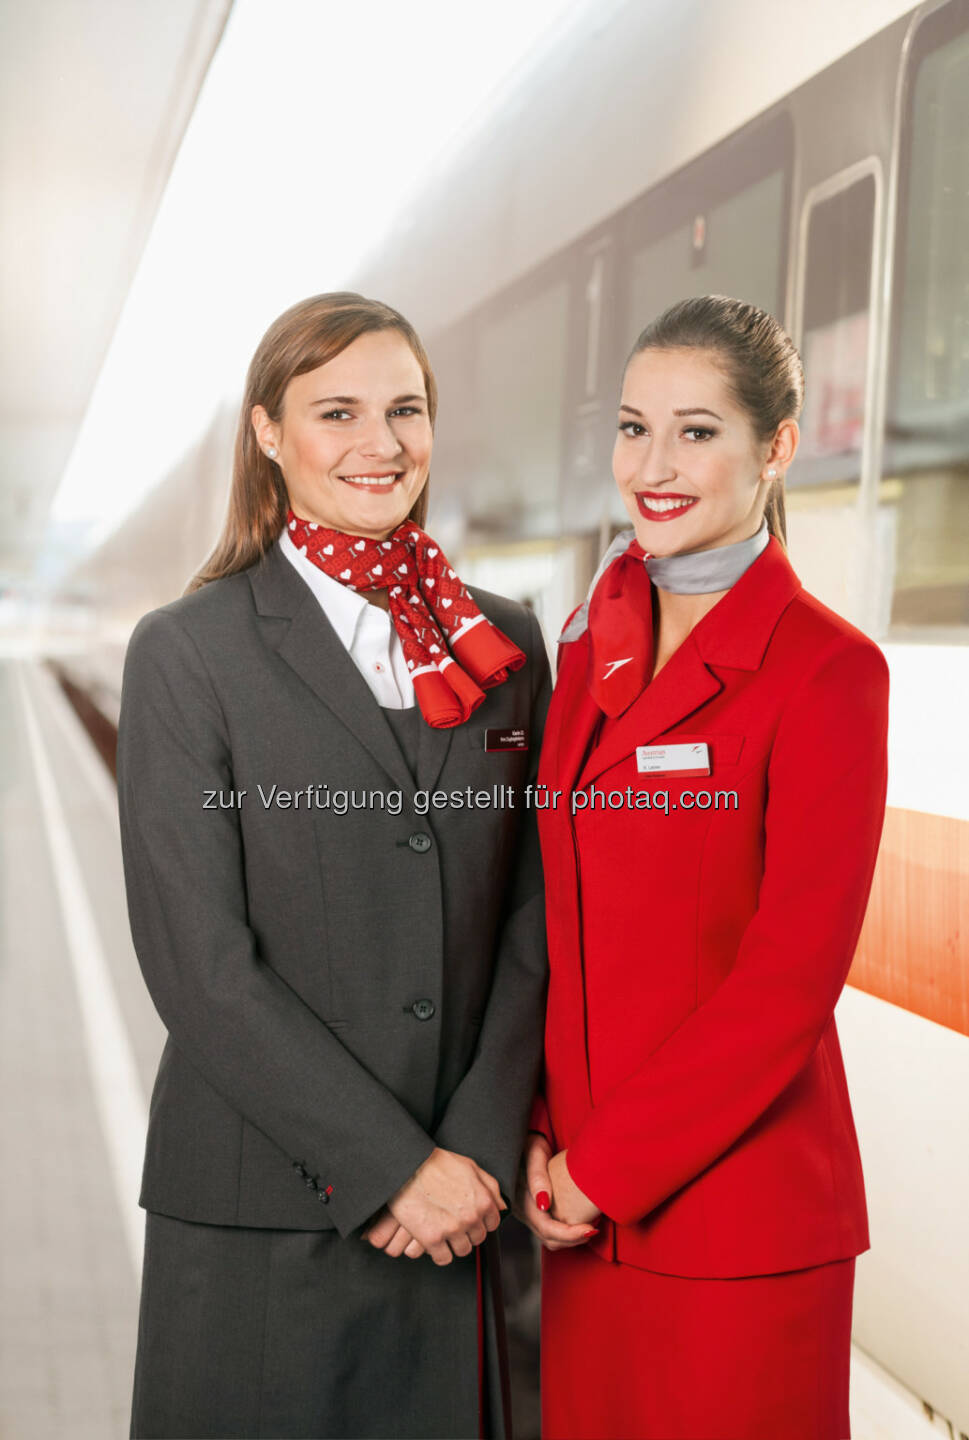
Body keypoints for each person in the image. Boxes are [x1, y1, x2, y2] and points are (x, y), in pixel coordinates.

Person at [116, 292, 551, 1440]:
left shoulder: (508, 649)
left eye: (405, 409)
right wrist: (392, 1167)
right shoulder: (187, 652)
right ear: (268, 433)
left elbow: (534, 914)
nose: (381, 443)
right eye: (338, 412)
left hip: (464, 1207)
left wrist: (475, 1147)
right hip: (272, 1205)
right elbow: (199, 963)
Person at [517, 295, 889, 1440]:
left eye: (697, 431)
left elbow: (786, 986)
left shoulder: (828, 671)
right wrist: (539, 1129)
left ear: (776, 447)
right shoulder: (592, 640)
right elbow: (551, 913)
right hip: (583, 1219)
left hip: (733, 1228)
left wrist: (602, 1168)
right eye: (633, 429)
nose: (654, 466)